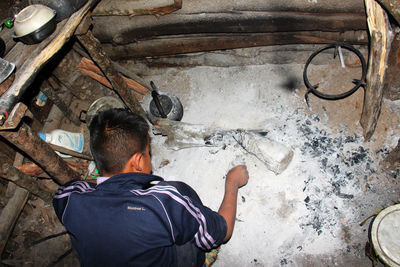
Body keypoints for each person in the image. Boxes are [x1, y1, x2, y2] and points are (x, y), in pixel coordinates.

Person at [53, 108, 249, 267]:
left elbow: (72, 189)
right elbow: (224, 231)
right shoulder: (164, 202)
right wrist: (232, 182)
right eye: (148, 152)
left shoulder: (68, 198)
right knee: (187, 207)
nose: (150, 156)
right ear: (137, 161)